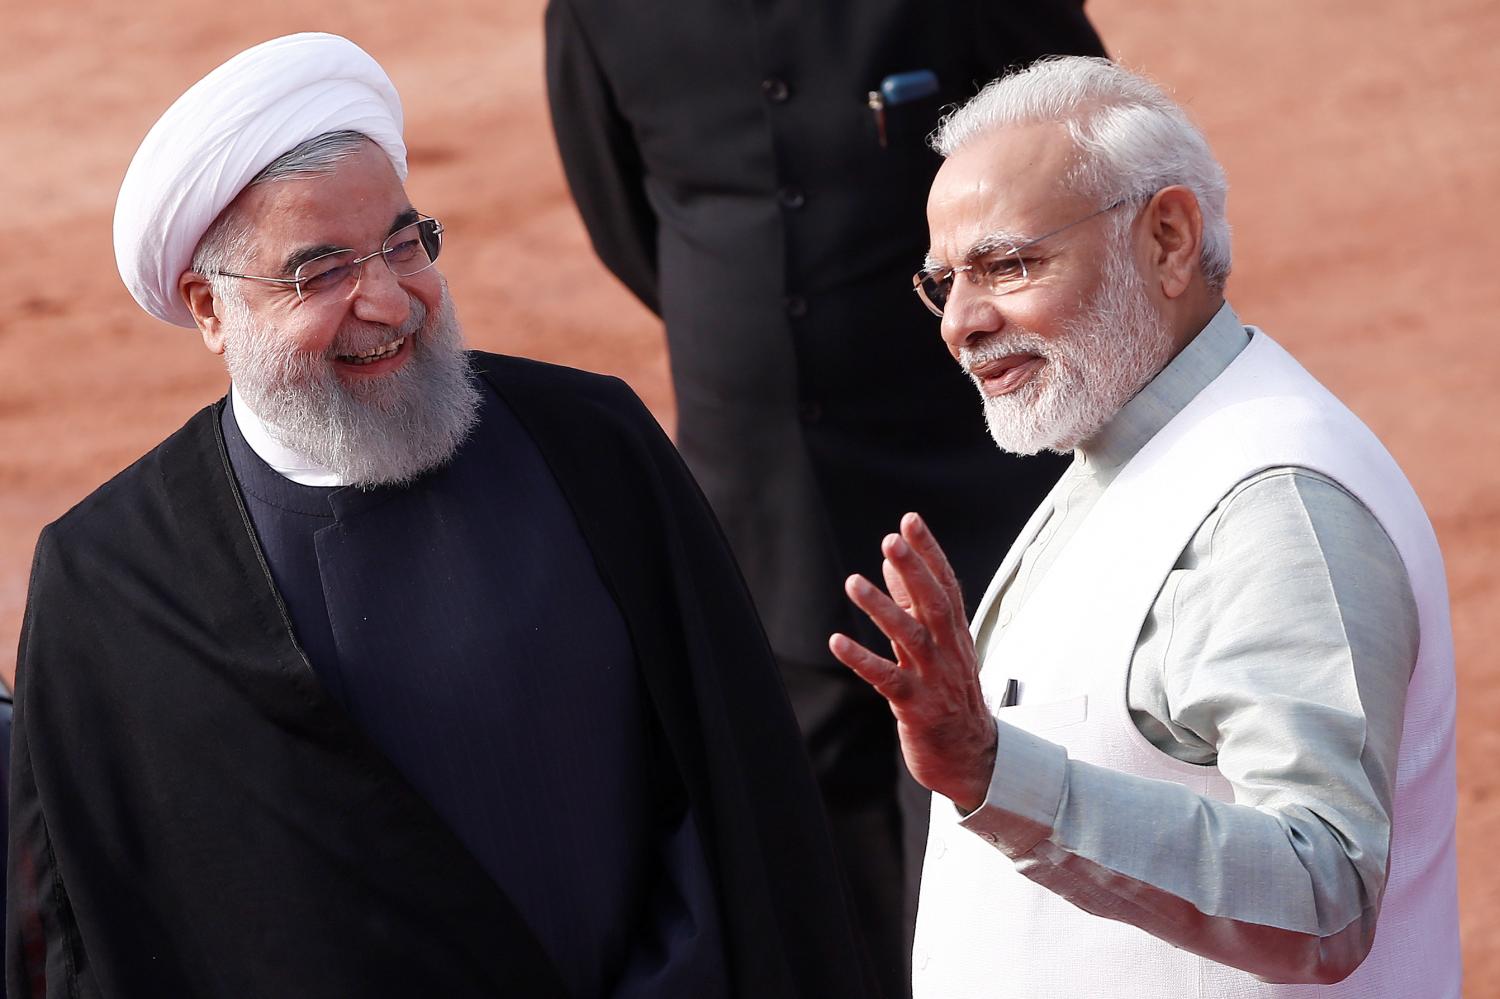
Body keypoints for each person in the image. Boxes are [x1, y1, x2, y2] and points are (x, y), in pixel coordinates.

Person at [7, 33, 879, 999]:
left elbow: (735, 804)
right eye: (320, 270)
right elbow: (117, 930)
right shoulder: (112, 586)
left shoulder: (592, 447)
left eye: (403, 241)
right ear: (209, 308)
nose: (386, 298)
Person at [830, 56, 1461, 997]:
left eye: (1006, 264)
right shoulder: (1132, 445)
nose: (960, 321)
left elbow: (1323, 891)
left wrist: (1001, 774)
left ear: (1168, 239)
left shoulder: (1273, 507)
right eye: (943, 282)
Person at [544, 6, 1105, 992]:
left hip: (974, 486)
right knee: (810, 859)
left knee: (1004, 841)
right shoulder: (599, 12)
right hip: (762, 505)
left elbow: (1089, 152)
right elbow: (626, 220)